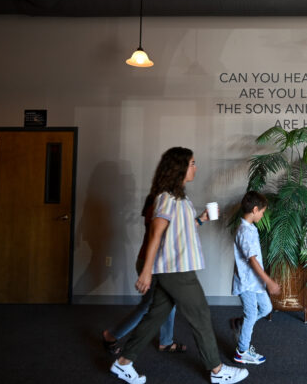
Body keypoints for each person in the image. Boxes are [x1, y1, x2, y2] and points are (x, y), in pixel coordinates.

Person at [110, 147, 248, 384]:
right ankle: (217, 371)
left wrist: (201, 220)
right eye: (192, 163)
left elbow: (179, 231)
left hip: (175, 268)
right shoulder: (166, 198)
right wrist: (145, 271)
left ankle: (123, 362)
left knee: (155, 316)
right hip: (176, 269)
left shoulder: (179, 198)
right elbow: (156, 234)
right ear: (179, 167)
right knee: (201, 314)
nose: (196, 167)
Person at [102, 195, 186, 356]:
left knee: (169, 301)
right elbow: (162, 238)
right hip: (151, 264)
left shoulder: (159, 202)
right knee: (147, 307)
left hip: (155, 263)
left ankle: (166, 341)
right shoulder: (159, 205)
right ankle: (111, 336)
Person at [230, 191, 280, 365]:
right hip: (246, 282)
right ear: (255, 209)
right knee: (251, 314)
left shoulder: (250, 228)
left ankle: (240, 324)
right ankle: (241, 352)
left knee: (266, 309)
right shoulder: (243, 231)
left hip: (255, 282)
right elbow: (252, 260)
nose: (263, 215)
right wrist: (269, 281)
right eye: (262, 212)